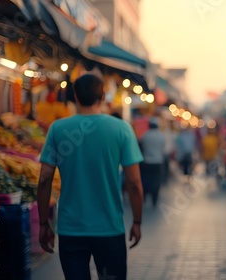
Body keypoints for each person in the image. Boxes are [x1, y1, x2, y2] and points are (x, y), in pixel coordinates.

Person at [37, 74, 144, 280]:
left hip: (71, 230)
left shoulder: (57, 129)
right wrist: (137, 221)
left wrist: (43, 223)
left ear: (75, 97)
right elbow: (134, 182)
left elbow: (44, 179)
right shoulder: (121, 129)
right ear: (103, 97)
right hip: (109, 229)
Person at [139, 117, 165, 206]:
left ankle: (145, 195)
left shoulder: (145, 135)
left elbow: (141, 146)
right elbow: (163, 148)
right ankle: (155, 197)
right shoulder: (161, 136)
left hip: (146, 161)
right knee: (156, 180)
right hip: (158, 161)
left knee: (146, 179)